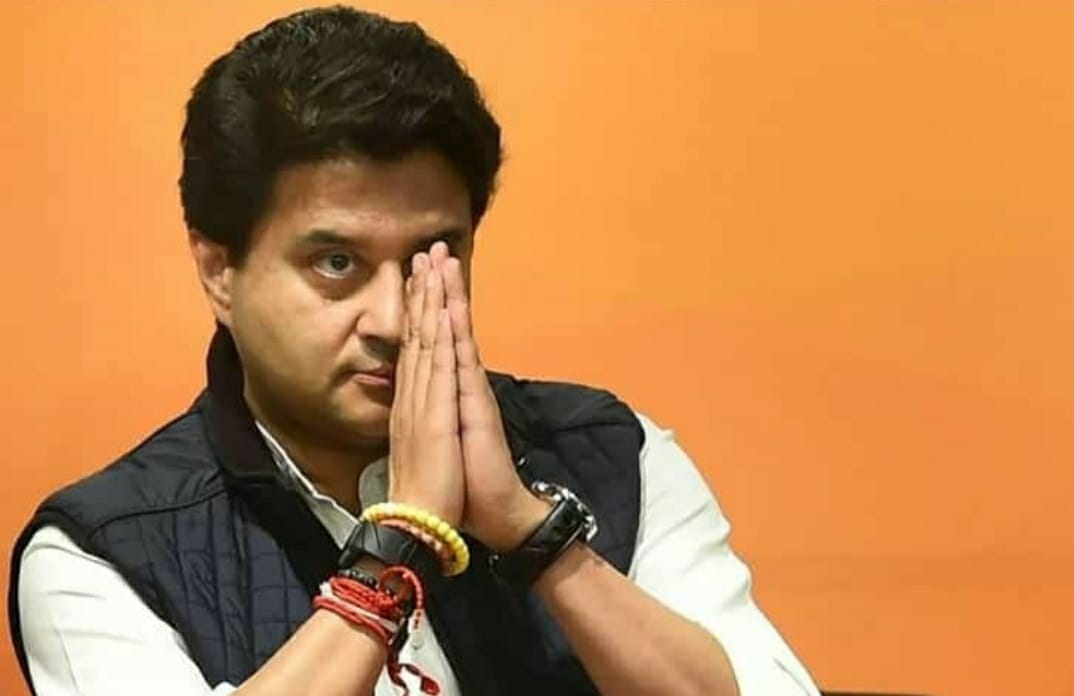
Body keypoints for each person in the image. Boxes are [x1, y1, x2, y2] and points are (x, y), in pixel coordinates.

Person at [8, 6, 820, 696]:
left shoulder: (613, 455)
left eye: (434, 258)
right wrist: (400, 542)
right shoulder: (103, 552)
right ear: (220, 270)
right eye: (337, 263)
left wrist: (534, 537)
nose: (395, 319)